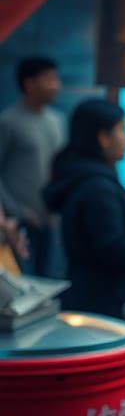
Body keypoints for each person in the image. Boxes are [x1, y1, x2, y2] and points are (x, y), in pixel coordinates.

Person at [42, 99, 125, 318]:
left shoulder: (90, 180)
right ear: (103, 138)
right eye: (122, 130)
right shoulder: (98, 189)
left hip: (95, 301)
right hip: (105, 305)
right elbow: (115, 252)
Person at [0, 57, 65, 275]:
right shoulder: (8, 122)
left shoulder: (57, 120)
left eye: (56, 79)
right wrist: (16, 210)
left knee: (48, 278)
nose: (56, 86)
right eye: (48, 79)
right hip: (17, 220)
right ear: (29, 83)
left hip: (50, 217)